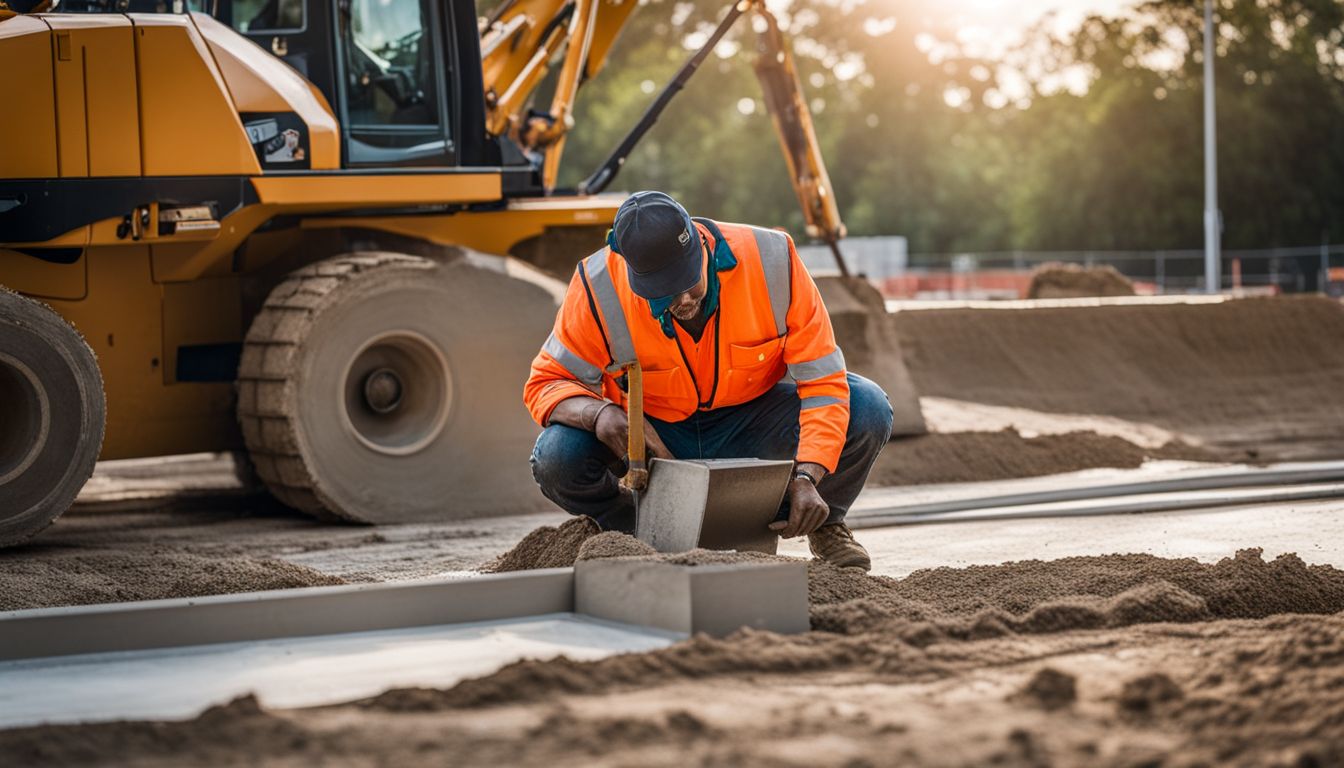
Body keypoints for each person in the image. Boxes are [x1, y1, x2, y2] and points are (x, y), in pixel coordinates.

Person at [523, 191, 891, 570]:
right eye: (662, 292)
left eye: (688, 281)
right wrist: (598, 415)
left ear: (700, 243)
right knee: (556, 456)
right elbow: (546, 383)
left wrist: (808, 474)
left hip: (751, 422)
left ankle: (821, 520)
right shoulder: (597, 286)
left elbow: (823, 382)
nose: (682, 299)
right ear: (629, 268)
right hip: (657, 440)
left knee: (868, 406)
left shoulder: (772, 260)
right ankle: (636, 530)